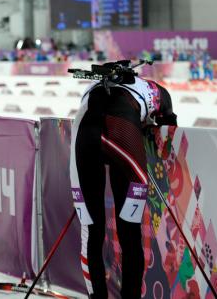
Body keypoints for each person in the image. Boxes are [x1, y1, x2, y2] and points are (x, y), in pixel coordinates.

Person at [69, 61, 177, 299]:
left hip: (85, 134)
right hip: (124, 137)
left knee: (91, 230)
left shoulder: (93, 86)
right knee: (129, 233)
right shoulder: (154, 90)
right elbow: (170, 123)